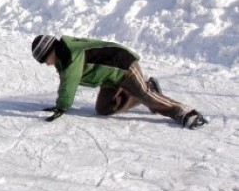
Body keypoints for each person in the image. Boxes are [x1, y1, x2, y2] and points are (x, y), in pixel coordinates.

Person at [31, 34, 208, 129]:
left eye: (44, 59)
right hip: (108, 76)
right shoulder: (62, 59)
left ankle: (185, 112)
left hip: (123, 65)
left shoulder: (70, 55)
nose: (46, 64)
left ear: (51, 51)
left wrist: (62, 106)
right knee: (103, 108)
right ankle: (147, 89)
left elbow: (68, 84)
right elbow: (66, 81)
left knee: (146, 96)